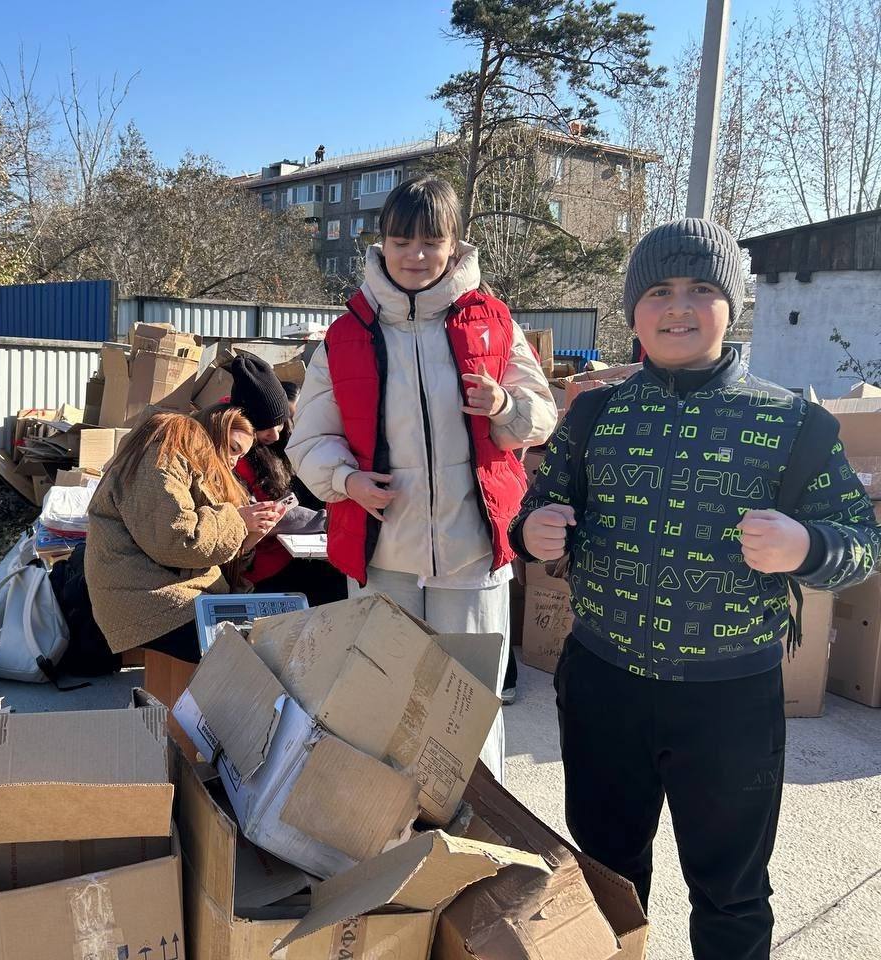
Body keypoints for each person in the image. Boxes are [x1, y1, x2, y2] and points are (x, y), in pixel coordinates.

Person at [510, 219, 881, 960]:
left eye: (701, 288)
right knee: (606, 877)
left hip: (728, 700)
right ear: (632, 310)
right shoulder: (595, 415)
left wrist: (805, 546)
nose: (678, 306)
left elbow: (862, 548)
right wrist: (536, 532)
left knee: (732, 892)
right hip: (604, 685)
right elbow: (536, 508)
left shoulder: (791, 423)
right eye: (658, 290)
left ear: (733, 303)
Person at [288, 175, 557, 782]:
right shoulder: (347, 334)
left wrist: (503, 407)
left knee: (471, 704)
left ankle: (483, 827)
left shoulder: (492, 323)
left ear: (456, 244)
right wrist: (346, 481)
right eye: (401, 240)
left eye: (431, 241)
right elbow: (309, 437)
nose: (415, 255)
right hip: (385, 552)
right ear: (380, 243)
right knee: (384, 700)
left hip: (473, 551)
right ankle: (389, 828)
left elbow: (542, 417)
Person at [85, 411, 282, 662]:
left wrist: (249, 536)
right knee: (261, 649)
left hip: (160, 593)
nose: (234, 462)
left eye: (241, 455)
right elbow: (178, 541)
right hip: (150, 602)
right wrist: (239, 521)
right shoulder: (160, 458)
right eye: (233, 449)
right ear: (213, 434)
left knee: (269, 632)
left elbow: (200, 550)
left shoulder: (185, 463)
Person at [222, 357, 348, 606]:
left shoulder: (272, 442)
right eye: (266, 427)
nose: (275, 434)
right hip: (257, 563)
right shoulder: (234, 452)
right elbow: (271, 512)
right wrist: (330, 522)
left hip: (286, 550)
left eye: (279, 424)